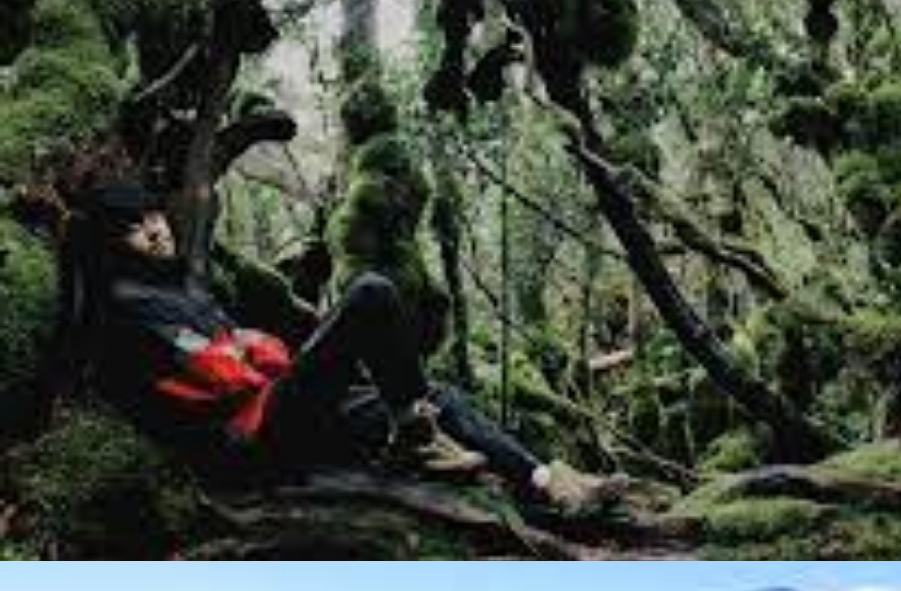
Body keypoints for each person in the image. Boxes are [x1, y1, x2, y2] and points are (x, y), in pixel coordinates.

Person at [65, 180, 617, 513]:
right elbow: (223, 374)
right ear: (113, 244)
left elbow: (262, 349)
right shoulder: (128, 305)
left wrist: (244, 349)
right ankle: (412, 434)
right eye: (135, 227)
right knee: (371, 294)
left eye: (154, 215)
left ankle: (548, 483)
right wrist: (243, 350)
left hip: (271, 408)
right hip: (250, 440)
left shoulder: (172, 287)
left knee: (437, 396)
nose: (156, 230)